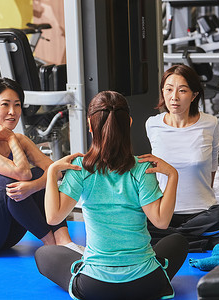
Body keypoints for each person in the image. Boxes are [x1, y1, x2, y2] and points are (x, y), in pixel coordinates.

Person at [34, 91, 188, 300]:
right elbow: (161, 222)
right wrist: (173, 175)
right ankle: (154, 279)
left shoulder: (80, 167)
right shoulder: (142, 168)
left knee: (44, 254)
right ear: (129, 123)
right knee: (178, 240)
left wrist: (52, 171)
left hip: (95, 286)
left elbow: (53, 218)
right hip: (145, 283)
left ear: (90, 124)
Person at [0, 77, 83, 257]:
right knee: (12, 181)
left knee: (39, 174)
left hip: (7, 234)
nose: (12, 112)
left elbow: (56, 173)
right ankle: (51, 243)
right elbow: (21, 173)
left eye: (17, 105)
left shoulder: (20, 140)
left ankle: (64, 240)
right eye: (5, 105)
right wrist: (12, 139)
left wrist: (34, 186)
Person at [145, 64, 219, 251]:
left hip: (202, 214)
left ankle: (171, 240)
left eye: (182, 90)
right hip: (164, 213)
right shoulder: (152, 124)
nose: (174, 97)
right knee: (135, 218)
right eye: (169, 89)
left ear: (194, 95)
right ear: (163, 92)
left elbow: (212, 167)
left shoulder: (210, 123)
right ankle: (202, 241)